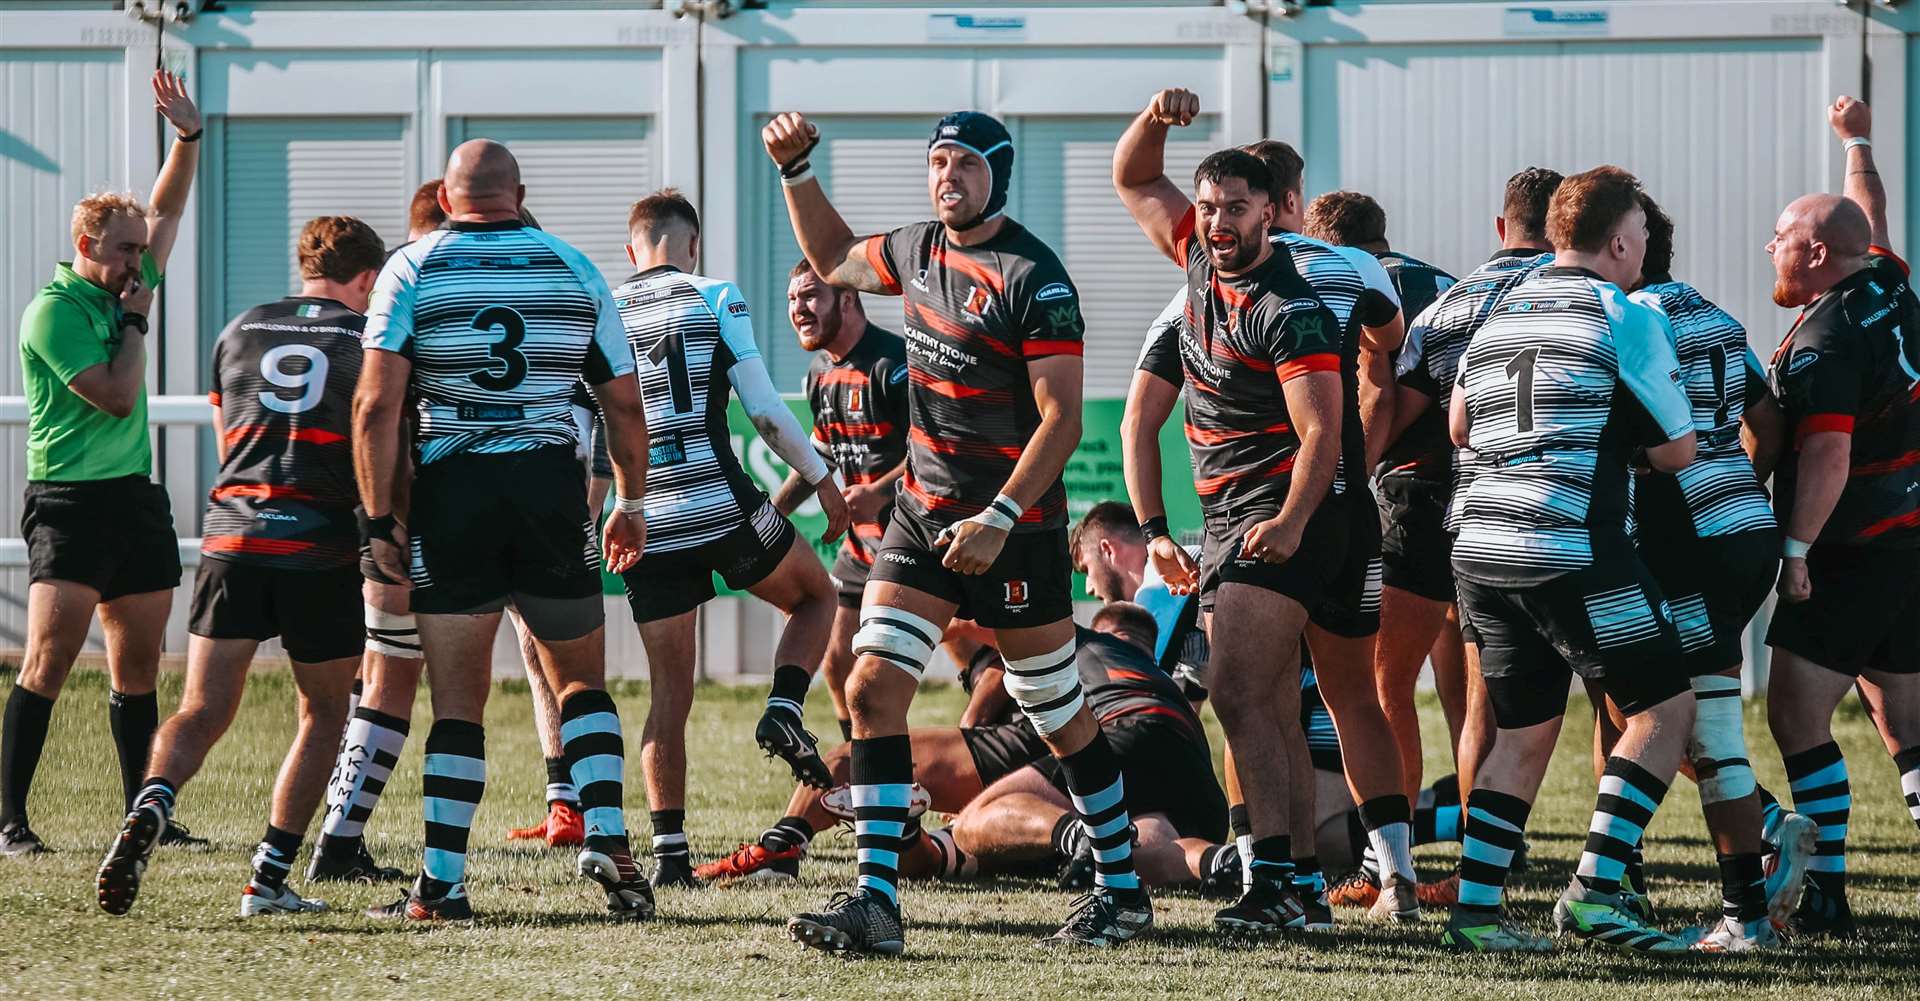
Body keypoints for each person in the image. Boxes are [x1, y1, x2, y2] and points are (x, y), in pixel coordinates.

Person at [766, 107, 1151, 952]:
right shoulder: (915, 250)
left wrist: (1000, 515)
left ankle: (1123, 890)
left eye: (966, 164)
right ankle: (876, 902)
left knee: (1053, 708)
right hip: (921, 514)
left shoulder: (1035, 277)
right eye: (938, 161)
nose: (948, 177)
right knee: (870, 689)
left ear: (998, 178)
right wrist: (796, 172)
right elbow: (834, 256)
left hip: (1016, 528)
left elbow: (1060, 420)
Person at [353, 139, 654, 921]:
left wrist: (379, 517)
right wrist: (631, 501)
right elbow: (623, 404)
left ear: (447, 199)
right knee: (580, 677)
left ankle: (443, 883)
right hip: (551, 489)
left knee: (458, 700)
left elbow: (375, 407)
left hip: (455, 492)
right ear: (518, 193)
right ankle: (613, 835)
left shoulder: (411, 268)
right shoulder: (573, 267)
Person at [94, 217, 386, 917]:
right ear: (369, 278)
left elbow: (232, 437)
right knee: (323, 713)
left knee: (200, 707)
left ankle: (152, 802)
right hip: (319, 546)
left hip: (234, 539)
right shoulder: (366, 341)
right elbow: (374, 439)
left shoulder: (241, 327)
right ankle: (269, 876)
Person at [1445, 165, 1699, 953]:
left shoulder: (1498, 310)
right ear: (1621, 241)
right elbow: (1680, 449)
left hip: (1479, 547)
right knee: (1664, 708)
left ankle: (1477, 913)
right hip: (1567, 545)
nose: (1647, 248)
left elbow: (1458, 426)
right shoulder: (1623, 312)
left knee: (1522, 732)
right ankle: (1592, 891)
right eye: (1645, 236)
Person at [1113, 88, 1345, 935]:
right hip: (1225, 521)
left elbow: (1322, 432)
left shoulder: (1287, 305)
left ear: (1267, 216)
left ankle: (1276, 878)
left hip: (1281, 515)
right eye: (1207, 206)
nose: (1215, 221)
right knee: (1272, 704)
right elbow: (1133, 175)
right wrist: (1158, 118)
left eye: (1234, 208)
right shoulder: (1201, 266)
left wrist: (1287, 523)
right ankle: (1303, 888)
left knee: (1240, 691)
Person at [610, 189, 847, 888]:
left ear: (632, 251)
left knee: (668, 694)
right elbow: (765, 409)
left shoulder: (605, 307)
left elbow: (592, 430)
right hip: (719, 503)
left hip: (647, 517)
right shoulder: (713, 293)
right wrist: (819, 475)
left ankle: (671, 858)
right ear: (693, 246)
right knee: (815, 597)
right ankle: (782, 708)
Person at [2, 71, 204, 857]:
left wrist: (188, 140)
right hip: (69, 502)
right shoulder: (58, 312)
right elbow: (117, 397)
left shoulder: (127, 284)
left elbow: (168, 209)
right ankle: (10, 819)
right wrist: (138, 318)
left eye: (139, 252)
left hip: (132, 498)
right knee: (49, 662)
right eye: (125, 251)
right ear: (87, 246)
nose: (139, 259)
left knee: (139, 667)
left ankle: (142, 815)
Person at [696, 604, 1226, 892]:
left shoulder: (1072, 639)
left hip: (1106, 732)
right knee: (1152, 842)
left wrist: (907, 613)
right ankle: (1223, 864)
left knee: (972, 819)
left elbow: (969, 636)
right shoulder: (1152, 673)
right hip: (1191, 773)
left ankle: (780, 845)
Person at [1618, 193, 1815, 952]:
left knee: (1688, 709)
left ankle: (1754, 868)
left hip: (1687, 537)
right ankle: (1738, 853)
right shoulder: (1716, 317)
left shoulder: (1633, 320)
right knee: (1662, 700)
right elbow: (1767, 423)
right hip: (1741, 529)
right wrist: (1738, 487)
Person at [1759, 95, 1920, 940]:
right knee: (1909, 728)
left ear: (1817, 254)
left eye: (1780, 237)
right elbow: (1873, 212)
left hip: (1850, 550)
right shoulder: (1887, 280)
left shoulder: (1823, 340)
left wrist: (1793, 552)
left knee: (1794, 715)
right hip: (1910, 543)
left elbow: (1827, 458)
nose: (1769, 247)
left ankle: (1824, 892)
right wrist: (1855, 139)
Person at [772, 260, 912, 742]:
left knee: (961, 652)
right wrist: (771, 515)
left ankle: (985, 738)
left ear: (848, 299)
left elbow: (941, 453)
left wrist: (879, 491)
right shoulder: (818, 374)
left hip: (915, 540)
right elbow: (820, 458)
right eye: (792, 299)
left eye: (810, 296)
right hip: (860, 546)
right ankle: (858, 765)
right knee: (835, 662)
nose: (798, 309)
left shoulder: (893, 366)